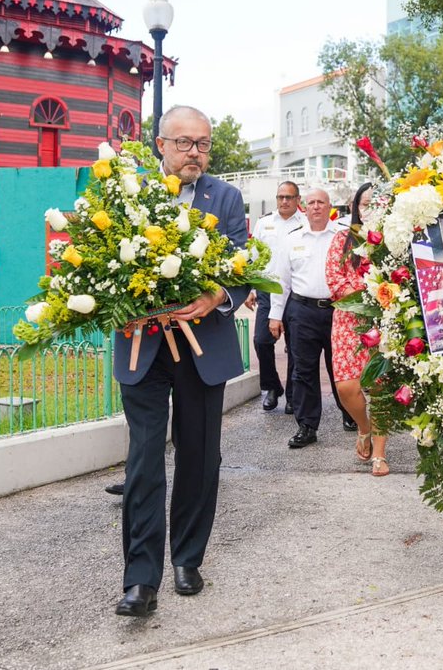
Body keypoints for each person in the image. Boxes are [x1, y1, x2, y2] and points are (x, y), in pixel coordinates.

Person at [110, 106, 250, 618]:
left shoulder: (227, 198)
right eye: (185, 142)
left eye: (204, 144)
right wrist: (121, 304)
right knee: (145, 459)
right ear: (160, 146)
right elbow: (100, 262)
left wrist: (216, 297)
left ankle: (187, 559)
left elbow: (245, 267)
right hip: (141, 346)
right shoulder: (127, 195)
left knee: (199, 455)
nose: (195, 152)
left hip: (202, 348)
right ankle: (140, 580)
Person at [269, 187, 356, 449]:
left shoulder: (343, 237)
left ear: (329, 206)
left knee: (340, 368)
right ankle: (306, 426)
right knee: (303, 371)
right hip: (301, 311)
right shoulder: (292, 239)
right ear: (303, 208)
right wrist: (275, 316)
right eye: (311, 203)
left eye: (321, 202)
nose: (316, 206)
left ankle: (350, 413)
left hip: (337, 311)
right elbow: (280, 281)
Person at [326, 182, 389, 476]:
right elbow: (334, 281)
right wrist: (369, 290)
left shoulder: (394, 241)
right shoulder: (342, 240)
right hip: (348, 320)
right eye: (365, 204)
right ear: (354, 208)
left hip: (387, 317)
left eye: (376, 204)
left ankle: (379, 454)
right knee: (347, 386)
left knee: (381, 387)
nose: (370, 210)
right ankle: (363, 427)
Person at [247, 181, 305, 413]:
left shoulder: (305, 223)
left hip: (295, 293)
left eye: (289, 197)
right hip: (267, 289)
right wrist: (251, 289)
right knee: (261, 341)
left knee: (295, 347)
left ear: (297, 200)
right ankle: (272, 387)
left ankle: (292, 394)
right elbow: (253, 258)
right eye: (280, 197)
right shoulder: (264, 223)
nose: (284, 201)